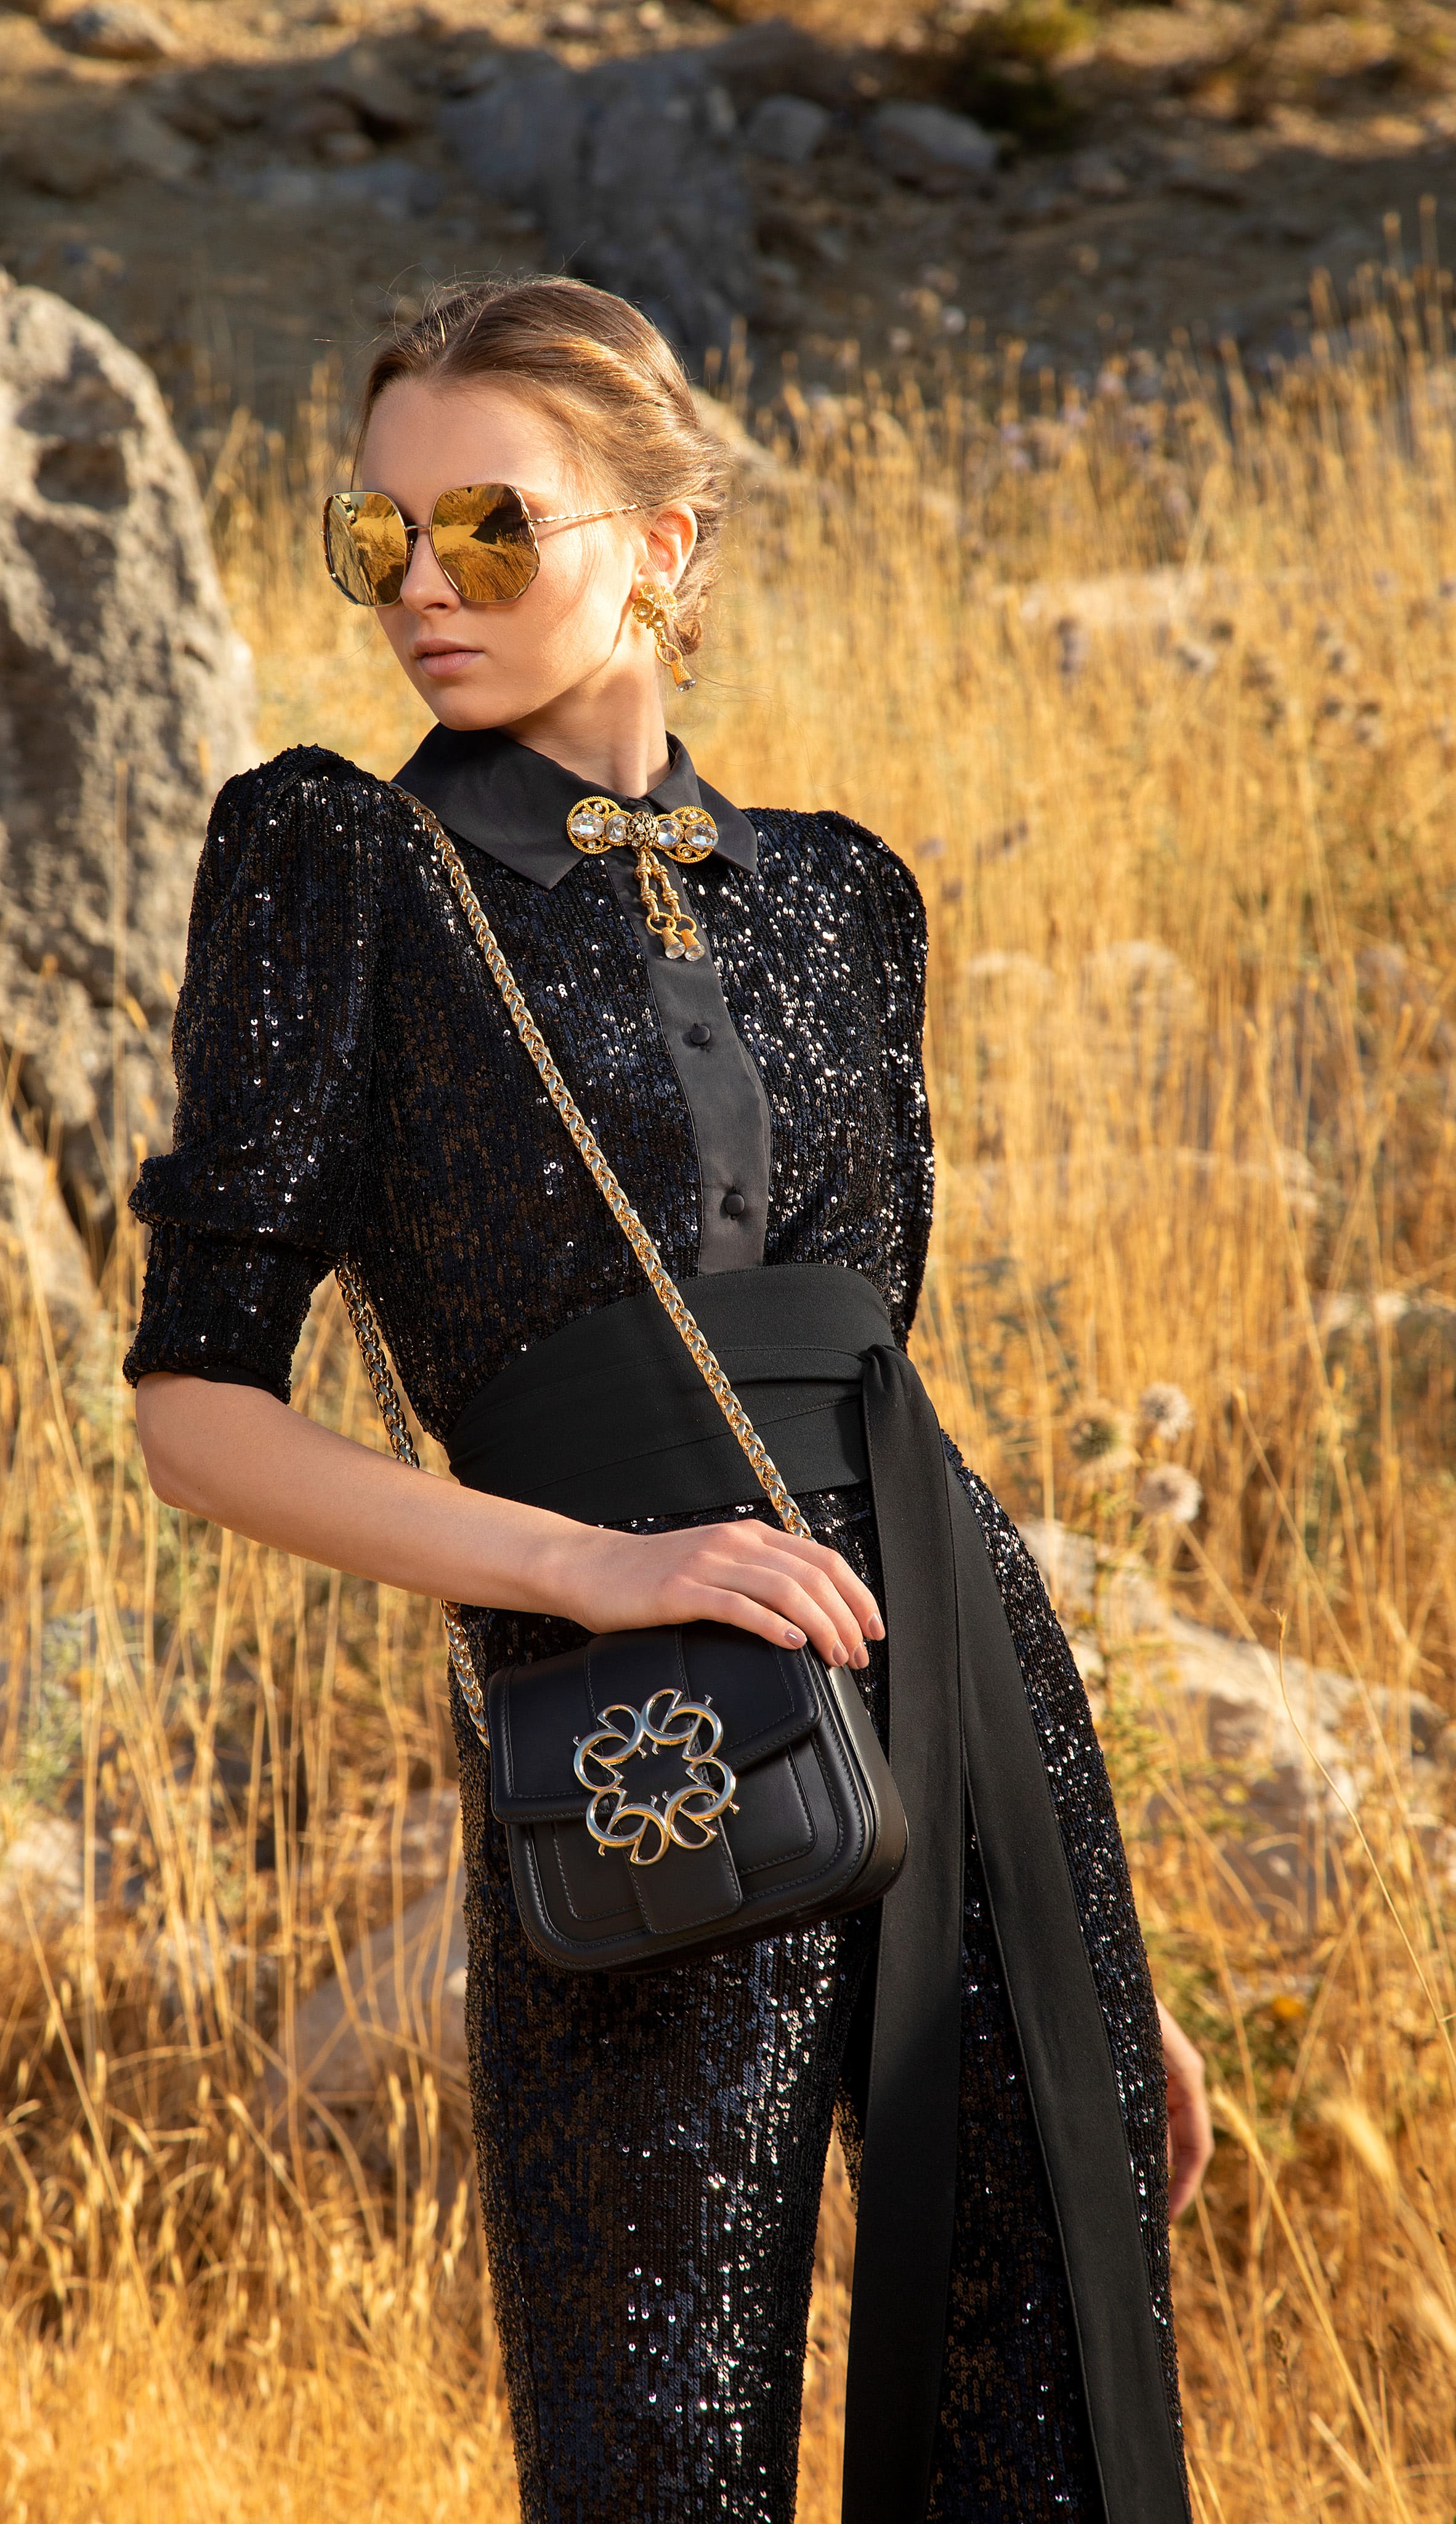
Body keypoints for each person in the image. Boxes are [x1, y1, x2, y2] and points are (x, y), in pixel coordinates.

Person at [124, 274, 1211, 2523]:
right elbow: (195, 1413)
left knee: (1050, 2411)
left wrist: (1073, 1918)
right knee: (656, 2437)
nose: (421, 586)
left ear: (663, 542)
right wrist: (593, 1571)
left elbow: (882, 1380)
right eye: (377, 535)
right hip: (633, 1727)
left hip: (963, 1691)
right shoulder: (339, 864)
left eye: (489, 526)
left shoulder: (842, 894)